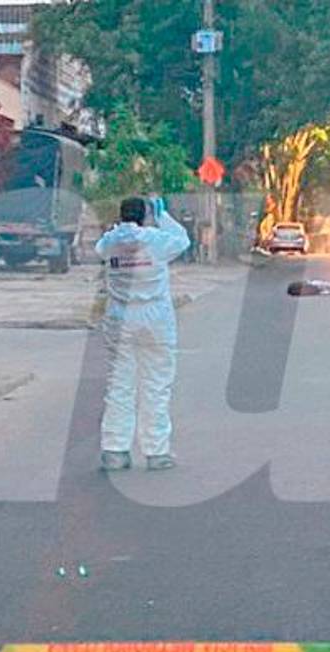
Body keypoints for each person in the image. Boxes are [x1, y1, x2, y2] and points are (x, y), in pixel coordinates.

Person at [96, 196, 192, 472]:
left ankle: (115, 451)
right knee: (156, 384)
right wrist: (163, 215)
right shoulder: (156, 240)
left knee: (119, 385)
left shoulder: (110, 242)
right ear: (145, 216)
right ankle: (156, 451)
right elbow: (182, 240)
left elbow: (100, 247)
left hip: (120, 317)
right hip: (155, 318)